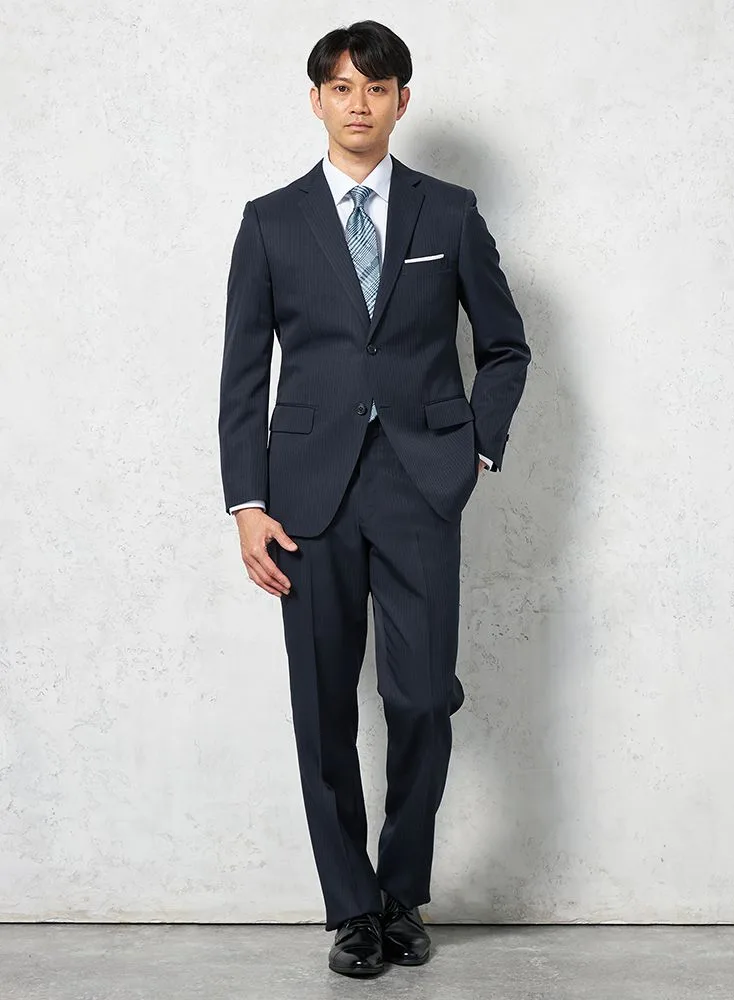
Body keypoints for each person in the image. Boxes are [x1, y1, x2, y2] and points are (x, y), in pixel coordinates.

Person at [218, 19, 531, 978]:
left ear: (403, 100)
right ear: (317, 100)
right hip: (302, 500)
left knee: (421, 696)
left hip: (420, 486)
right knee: (321, 709)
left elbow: (506, 346)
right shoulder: (270, 222)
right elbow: (242, 376)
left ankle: (402, 894)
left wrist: (476, 448)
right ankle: (353, 909)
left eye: (378, 87)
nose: (360, 104)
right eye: (343, 88)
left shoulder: (449, 212)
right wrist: (246, 504)